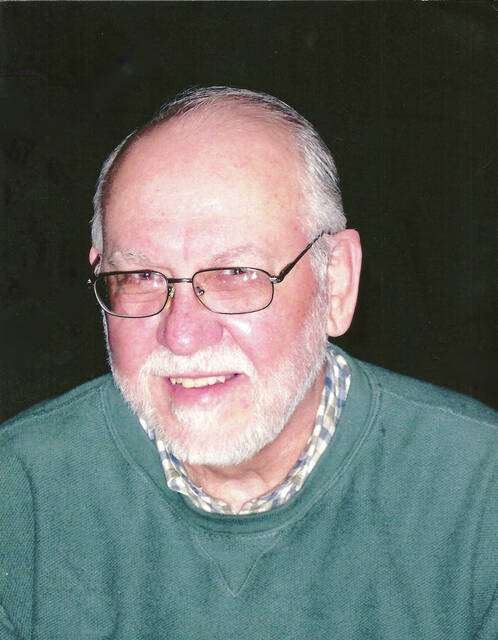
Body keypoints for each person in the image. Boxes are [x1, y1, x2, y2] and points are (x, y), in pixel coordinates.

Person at [0, 87, 496, 640]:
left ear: (336, 282)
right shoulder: (20, 497)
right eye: (141, 276)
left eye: (236, 273)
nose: (182, 335)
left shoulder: (478, 493)